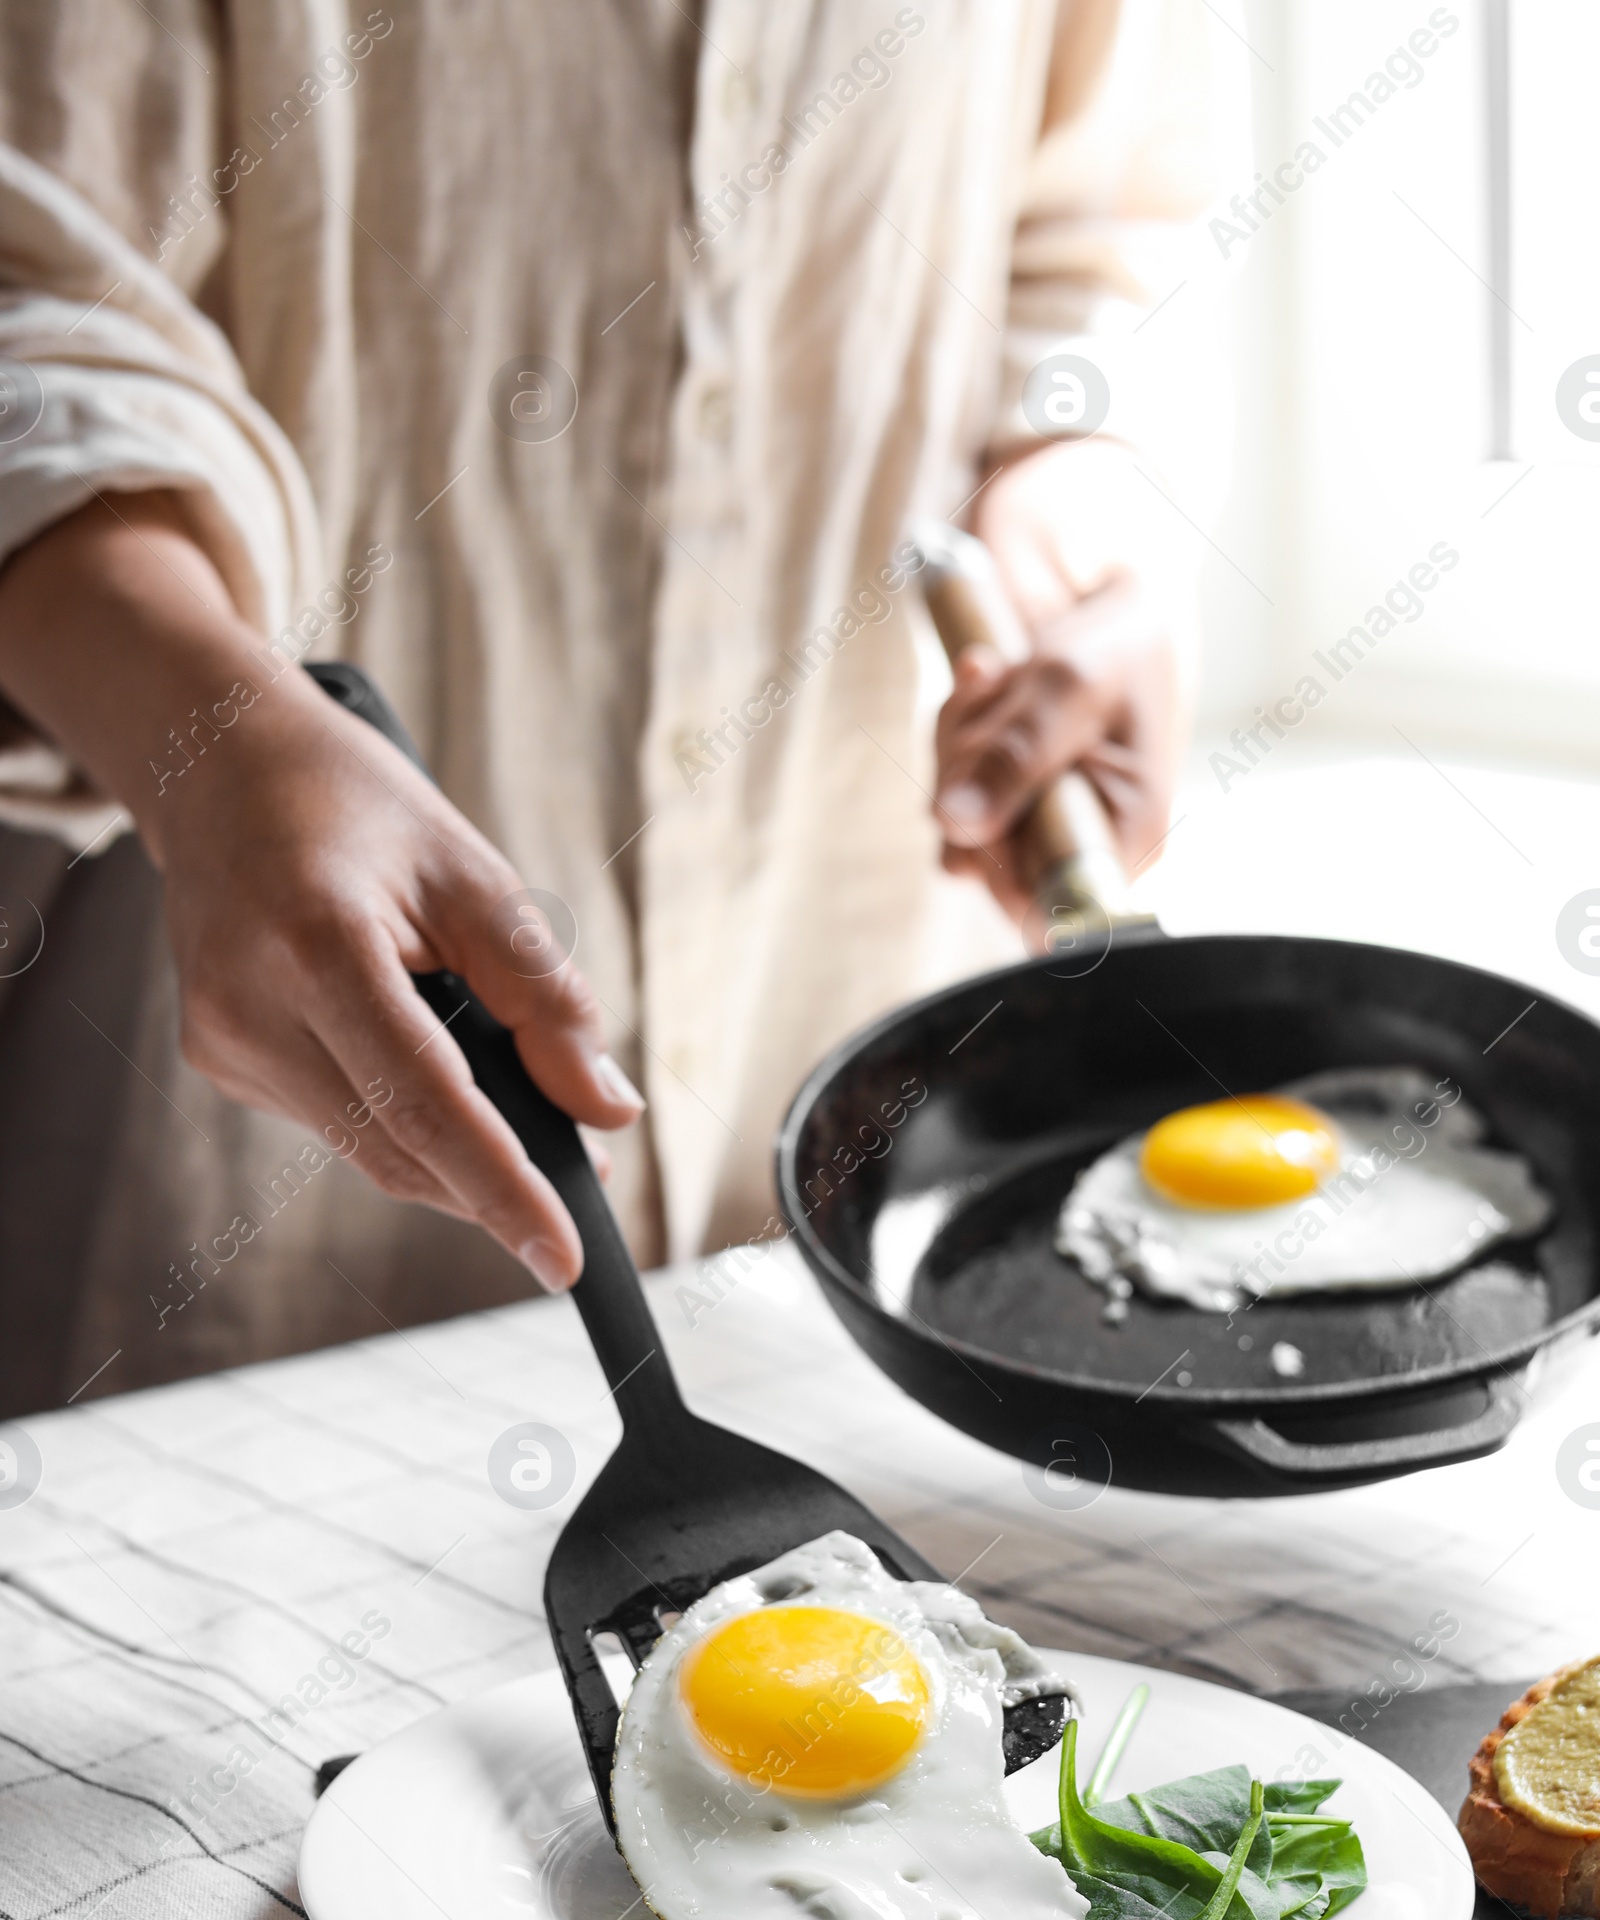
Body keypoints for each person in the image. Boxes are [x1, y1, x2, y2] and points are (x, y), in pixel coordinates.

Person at [0, 0, 1211, 1410]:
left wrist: (1070, 495)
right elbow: (36, 318)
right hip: (221, 1199)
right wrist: (212, 748)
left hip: (849, 1053)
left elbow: (1089, 233)